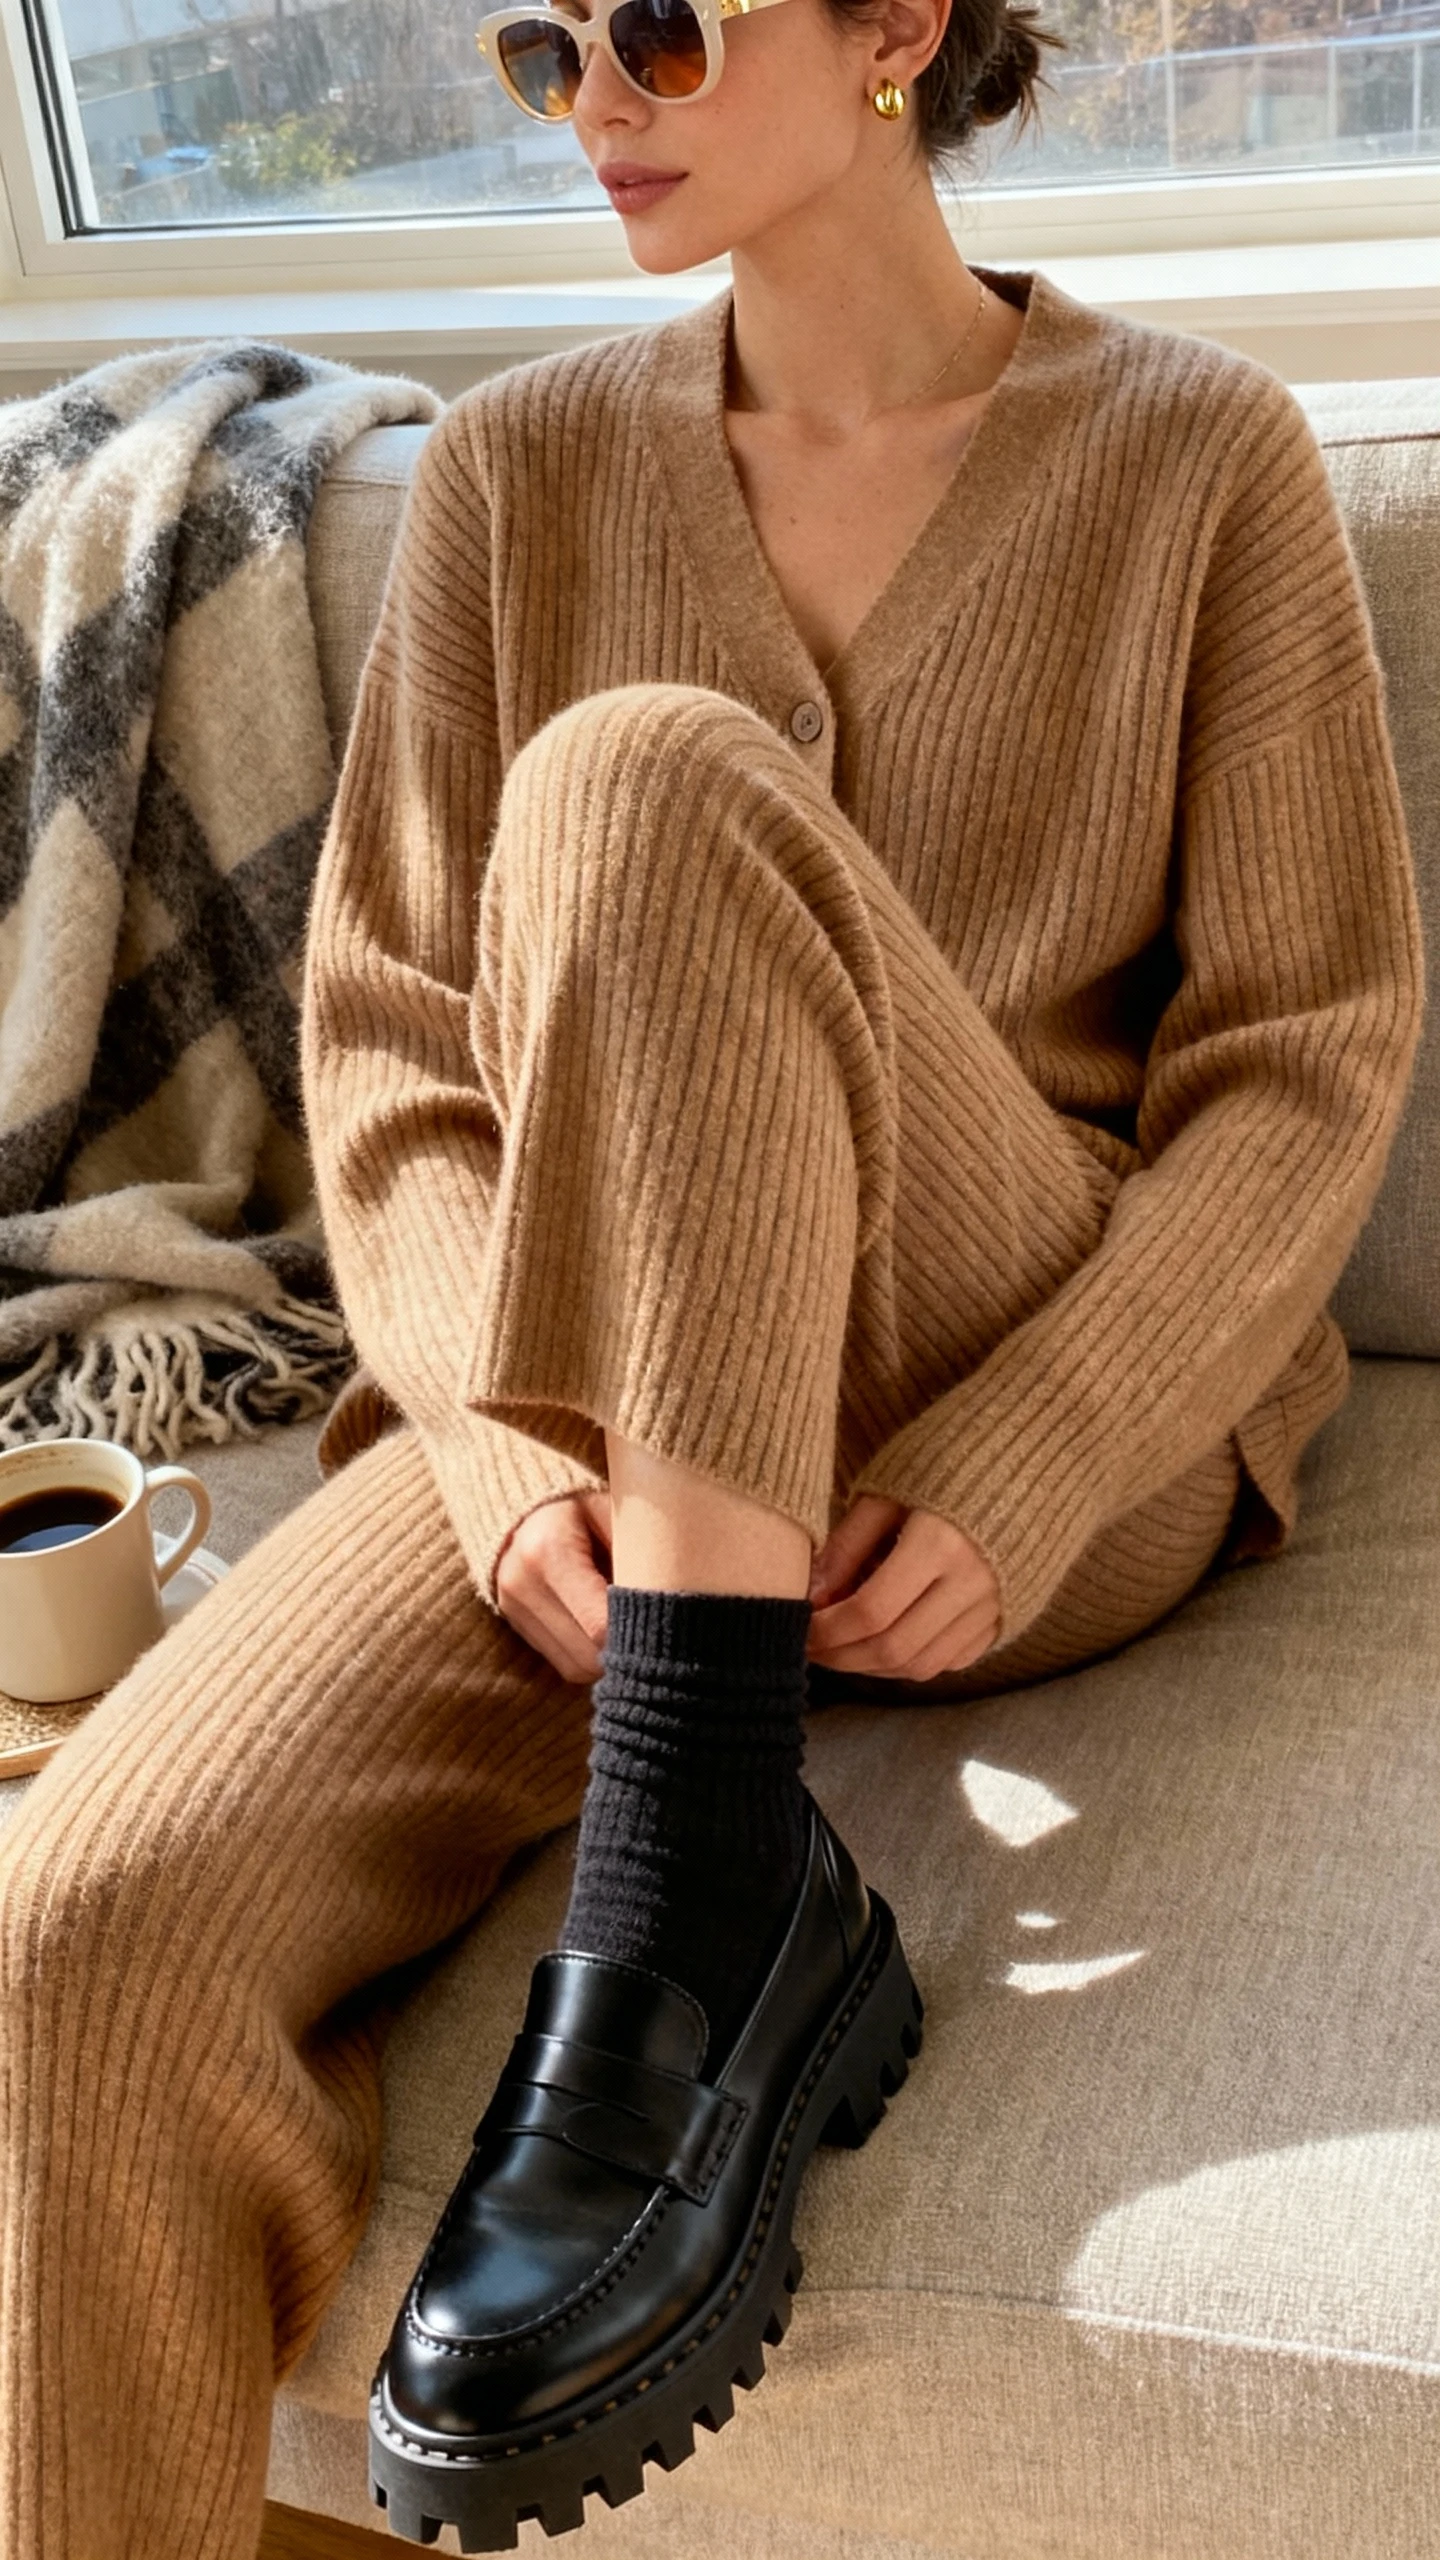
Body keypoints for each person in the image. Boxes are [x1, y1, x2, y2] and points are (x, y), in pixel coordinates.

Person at [0, 0, 1423, 2542]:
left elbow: (1305, 1059)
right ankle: (699, 1765)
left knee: (637, 771)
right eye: (548, 45)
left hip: (1028, 1371)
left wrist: (1044, 1438)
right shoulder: (528, 473)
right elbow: (400, 1058)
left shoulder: (1202, 457)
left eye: (662, 24)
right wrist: (481, 1426)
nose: (596, 105)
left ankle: (695, 1900)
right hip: (602, 1390)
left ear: (901, 22)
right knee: (69, 1945)